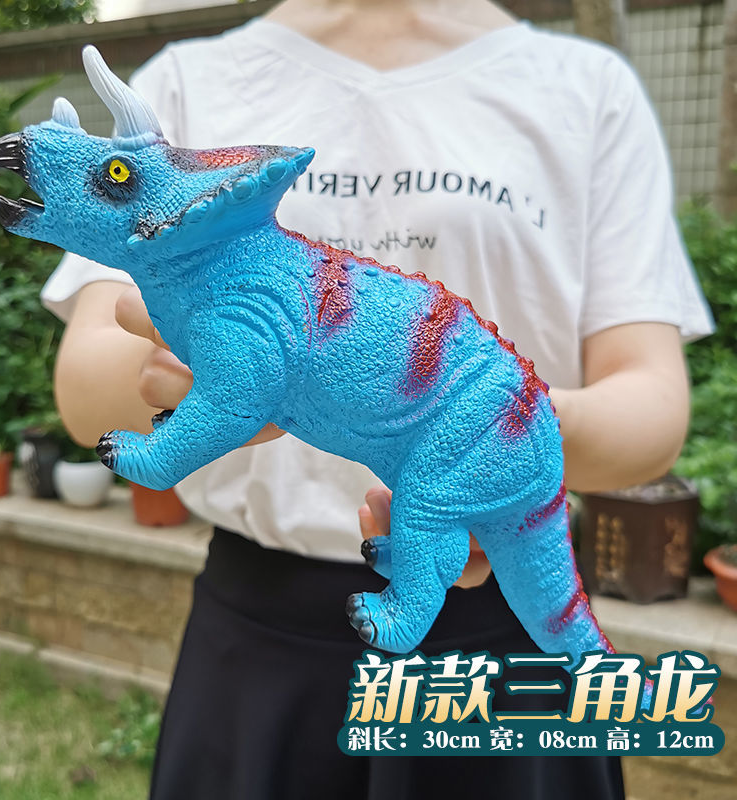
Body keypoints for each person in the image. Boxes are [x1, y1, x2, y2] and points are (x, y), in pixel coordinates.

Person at [41, 1, 713, 797]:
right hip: (259, 629)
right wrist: (187, 371)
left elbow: (652, 407)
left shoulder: (587, 86)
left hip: (494, 647)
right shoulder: (187, 77)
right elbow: (86, 391)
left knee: (431, 496)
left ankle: (411, 597)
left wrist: (488, 450)